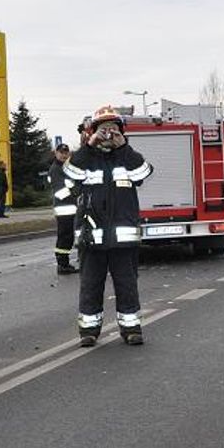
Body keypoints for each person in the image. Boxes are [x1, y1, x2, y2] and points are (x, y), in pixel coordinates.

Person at [63, 105, 154, 347]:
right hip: (91, 239)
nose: (108, 134)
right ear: (92, 131)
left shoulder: (126, 157)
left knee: (127, 285)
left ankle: (131, 328)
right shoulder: (84, 158)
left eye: (113, 129)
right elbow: (70, 173)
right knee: (91, 285)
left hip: (122, 240)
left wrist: (123, 147)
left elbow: (145, 172)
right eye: (103, 129)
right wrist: (89, 146)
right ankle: (89, 331)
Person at [49, 143, 79, 274]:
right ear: (56, 153)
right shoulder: (55, 169)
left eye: (66, 153)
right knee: (64, 237)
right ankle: (62, 265)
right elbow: (60, 191)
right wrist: (75, 192)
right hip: (63, 209)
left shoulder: (67, 168)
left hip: (71, 208)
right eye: (61, 152)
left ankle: (64, 263)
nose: (63, 155)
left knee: (68, 237)